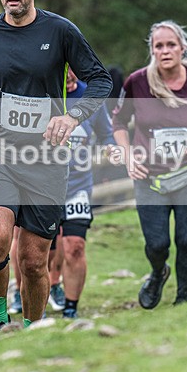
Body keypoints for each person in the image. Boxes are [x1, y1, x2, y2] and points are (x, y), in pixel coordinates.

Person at [0, 0, 112, 332]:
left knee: (34, 262)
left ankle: (33, 331)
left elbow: (101, 81)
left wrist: (72, 115)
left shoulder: (60, 31)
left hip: (46, 160)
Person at [112, 20, 187, 308]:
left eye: (171, 44)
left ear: (182, 48)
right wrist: (127, 154)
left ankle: (182, 300)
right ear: (152, 50)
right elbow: (119, 121)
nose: (165, 50)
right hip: (150, 179)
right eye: (158, 46)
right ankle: (158, 272)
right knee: (157, 244)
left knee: (186, 240)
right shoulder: (136, 82)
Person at [57, 69, 114, 318]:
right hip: (42, 187)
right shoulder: (43, 93)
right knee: (40, 252)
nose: (68, 73)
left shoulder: (90, 98)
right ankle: (34, 299)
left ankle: (71, 307)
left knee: (75, 247)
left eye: (72, 68)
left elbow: (106, 134)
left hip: (78, 186)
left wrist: (111, 148)